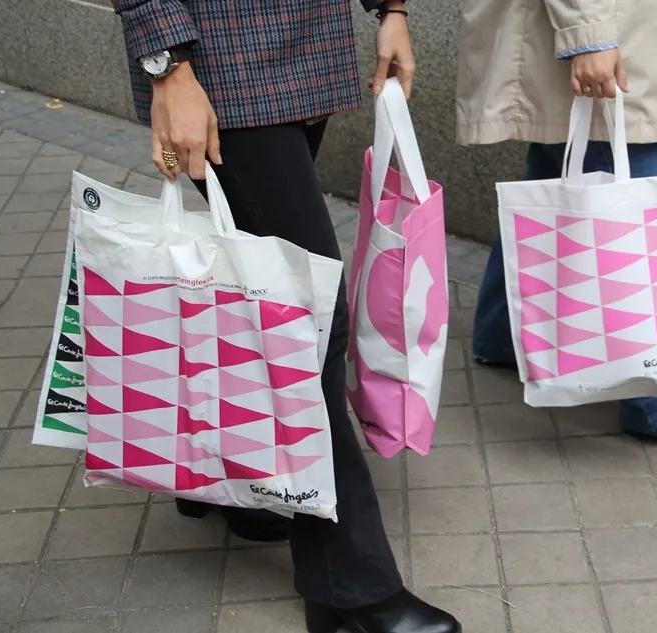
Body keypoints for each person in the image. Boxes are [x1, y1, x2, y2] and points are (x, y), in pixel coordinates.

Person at [110, 1, 460, 632]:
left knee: (257, 295)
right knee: (308, 324)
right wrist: (169, 67)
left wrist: (391, 8)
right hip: (220, 63)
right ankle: (348, 585)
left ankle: (229, 481)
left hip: (304, 51)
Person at [456, 0, 657, 459]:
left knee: (557, 178)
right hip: (615, 30)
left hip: (617, 27)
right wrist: (589, 34)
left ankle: (504, 335)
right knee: (632, 197)